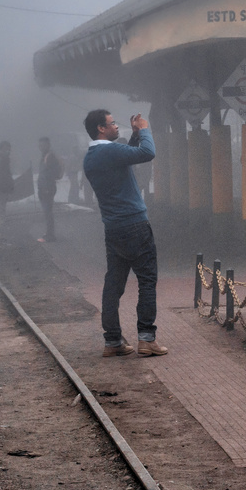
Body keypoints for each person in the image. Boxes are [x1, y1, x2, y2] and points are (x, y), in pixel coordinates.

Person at [84, 109, 167, 358]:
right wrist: (144, 130)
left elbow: (125, 157)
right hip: (135, 225)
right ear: (101, 128)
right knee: (147, 281)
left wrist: (132, 136)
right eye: (112, 124)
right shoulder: (109, 151)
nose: (116, 126)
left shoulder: (92, 156)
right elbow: (147, 153)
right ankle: (146, 339)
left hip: (113, 229)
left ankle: (112, 341)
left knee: (113, 285)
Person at [36, 136, 64, 242]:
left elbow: (51, 173)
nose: (41, 147)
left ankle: (50, 235)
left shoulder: (49, 156)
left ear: (48, 145)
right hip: (45, 187)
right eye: (40, 145)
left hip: (47, 188)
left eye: (43, 145)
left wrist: (46, 187)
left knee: (48, 212)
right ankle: (49, 233)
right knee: (47, 212)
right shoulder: (45, 155)